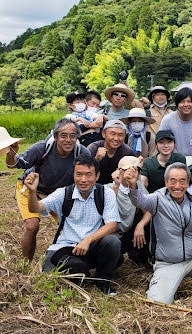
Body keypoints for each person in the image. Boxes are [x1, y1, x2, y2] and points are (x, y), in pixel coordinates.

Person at [124, 162, 192, 303]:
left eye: (182, 181)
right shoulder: (158, 198)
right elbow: (141, 202)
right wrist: (134, 185)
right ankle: (159, 283)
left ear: (188, 183)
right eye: (173, 181)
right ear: (166, 182)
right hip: (168, 263)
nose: (177, 186)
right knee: (159, 302)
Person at [24, 155, 121, 295]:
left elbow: (112, 225)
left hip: (92, 245)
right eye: (79, 174)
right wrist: (32, 191)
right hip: (67, 247)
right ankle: (80, 270)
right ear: (73, 175)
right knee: (72, 269)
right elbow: (35, 208)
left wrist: (88, 240)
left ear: (97, 176)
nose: (83, 180)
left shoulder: (106, 193)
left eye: (89, 175)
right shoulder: (63, 193)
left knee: (113, 242)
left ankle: (103, 282)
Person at [6, 118, 92, 259]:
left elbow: (89, 176)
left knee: (70, 227)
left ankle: (67, 261)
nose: (68, 140)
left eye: (73, 135)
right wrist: (11, 154)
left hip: (58, 194)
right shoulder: (43, 148)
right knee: (32, 226)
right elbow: (15, 164)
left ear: (77, 137)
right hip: (31, 188)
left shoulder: (82, 153)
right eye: (63, 135)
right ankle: (26, 265)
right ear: (55, 136)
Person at [108, 155, 151, 269]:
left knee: (150, 221)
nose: (132, 174)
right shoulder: (109, 188)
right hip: (113, 233)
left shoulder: (138, 186)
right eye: (128, 170)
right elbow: (108, 208)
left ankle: (141, 256)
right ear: (120, 171)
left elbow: (148, 209)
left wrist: (140, 225)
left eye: (135, 170)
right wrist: (116, 185)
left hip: (129, 229)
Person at [159, 88, 192, 162]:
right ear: (177, 104)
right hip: (172, 160)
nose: (186, 105)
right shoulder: (167, 120)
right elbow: (162, 144)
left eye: (189, 102)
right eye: (182, 102)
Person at [87, 120, 136, 185]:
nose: (116, 138)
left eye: (120, 135)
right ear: (104, 134)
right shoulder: (93, 148)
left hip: (118, 187)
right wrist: (96, 159)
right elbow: (84, 171)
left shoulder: (127, 152)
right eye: (112, 134)